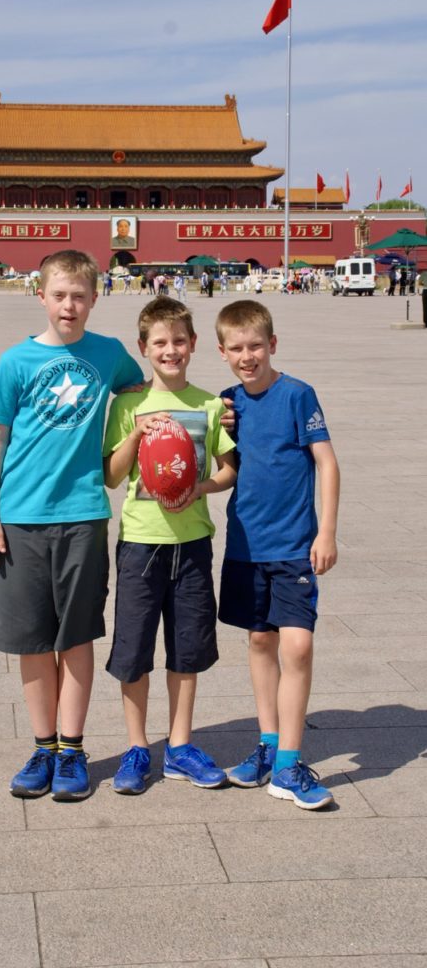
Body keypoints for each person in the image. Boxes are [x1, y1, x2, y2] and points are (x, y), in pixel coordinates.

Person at [0, 249, 144, 802]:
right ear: (40, 296)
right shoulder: (15, 362)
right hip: (21, 519)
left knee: (75, 636)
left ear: (95, 299)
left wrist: (208, 414)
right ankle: (42, 745)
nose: (69, 305)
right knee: (30, 639)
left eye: (79, 296)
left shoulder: (110, 355)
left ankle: (73, 748)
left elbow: (142, 394)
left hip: (83, 516)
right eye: (59, 295)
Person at [103, 297, 237, 795]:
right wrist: (135, 435)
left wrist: (199, 489)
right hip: (141, 542)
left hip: (194, 542)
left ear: (194, 345)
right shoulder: (129, 405)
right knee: (134, 648)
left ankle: (179, 746)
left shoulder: (208, 404)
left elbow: (227, 470)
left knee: (188, 647)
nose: (170, 350)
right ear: (144, 348)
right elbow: (111, 476)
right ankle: (138, 747)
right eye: (159, 342)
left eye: (179, 341)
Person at [215, 300, 340, 810]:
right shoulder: (226, 404)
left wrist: (326, 531)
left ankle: (289, 764)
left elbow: (327, 465)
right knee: (261, 642)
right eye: (237, 349)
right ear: (223, 352)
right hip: (246, 545)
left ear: (273, 344)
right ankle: (267, 745)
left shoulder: (297, 395)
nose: (248, 357)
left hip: (293, 547)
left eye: (255, 346)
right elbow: (225, 469)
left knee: (299, 647)